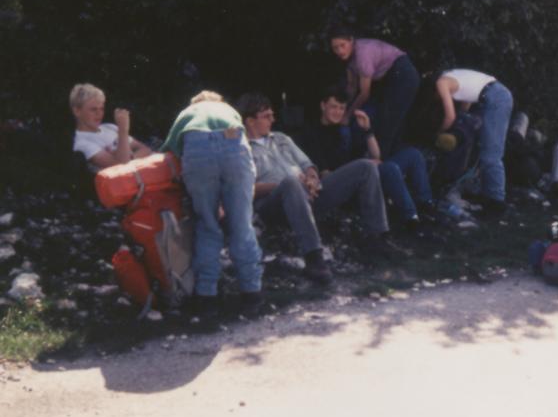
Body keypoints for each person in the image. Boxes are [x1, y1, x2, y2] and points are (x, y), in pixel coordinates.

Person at [236, 93, 398, 284]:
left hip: (307, 192)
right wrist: (287, 184)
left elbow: (307, 164)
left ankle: (378, 237)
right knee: (290, 182)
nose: (273, 119)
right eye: (266, 116)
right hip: (274, 204)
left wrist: (312, 177)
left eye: (272, 114)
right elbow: (245, 189)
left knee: (366, 167)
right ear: (249, 121)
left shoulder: (280, 138)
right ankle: (314, 259)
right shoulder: (240, 149)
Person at [160, 91, 263, 316]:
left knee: (207, 225)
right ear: (218, 102)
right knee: (242, 225)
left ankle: (207, 298)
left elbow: (170, 151)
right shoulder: (228, 110)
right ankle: (252, 295)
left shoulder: (188, 113)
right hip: (233, 141)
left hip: (197, 148)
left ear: (195, 103)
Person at [300, 86, 434, 231]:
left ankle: (427, 205)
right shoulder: (312, 132)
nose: (338, 112)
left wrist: (367, 130)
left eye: (341, 108)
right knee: (389, 168)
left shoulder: (342, 129)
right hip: (341, 183)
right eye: (333, 107)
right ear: (323, 105)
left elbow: (376, 156)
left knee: (413, 155)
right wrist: (363, 166)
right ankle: (412, 220)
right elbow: (326, 173)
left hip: (364, 171)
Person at [328, 26, 420, 157]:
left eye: (342, 45)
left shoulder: (362, 55)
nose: (339, 51)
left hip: (403, 75)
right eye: (335, 48)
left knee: (387, 123)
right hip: (391, 78)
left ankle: (382, 165)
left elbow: (365, 93)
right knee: (386, 120)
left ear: (351, 41)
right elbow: (352, 87)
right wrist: (342, 107)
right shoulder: (349, 59)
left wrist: (347, 116)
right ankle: (391, 160)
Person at [435, 68, 513, 216]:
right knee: (482, 151)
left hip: (495, 98)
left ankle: (497, 204)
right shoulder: (453, 77)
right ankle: (488, 197)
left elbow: (449, 117)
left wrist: (438, 133)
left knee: (491, 155)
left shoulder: (441, 83)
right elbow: (465, 106)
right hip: (493, 95)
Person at [69, 83, 152, 172]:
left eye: (101, 109)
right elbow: (122, 167)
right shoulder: (82, 143)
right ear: (77, 111)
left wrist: (128, 157)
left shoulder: (109, 127)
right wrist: (123, 129)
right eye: (93, 109)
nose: (99, 114)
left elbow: (145, 149)